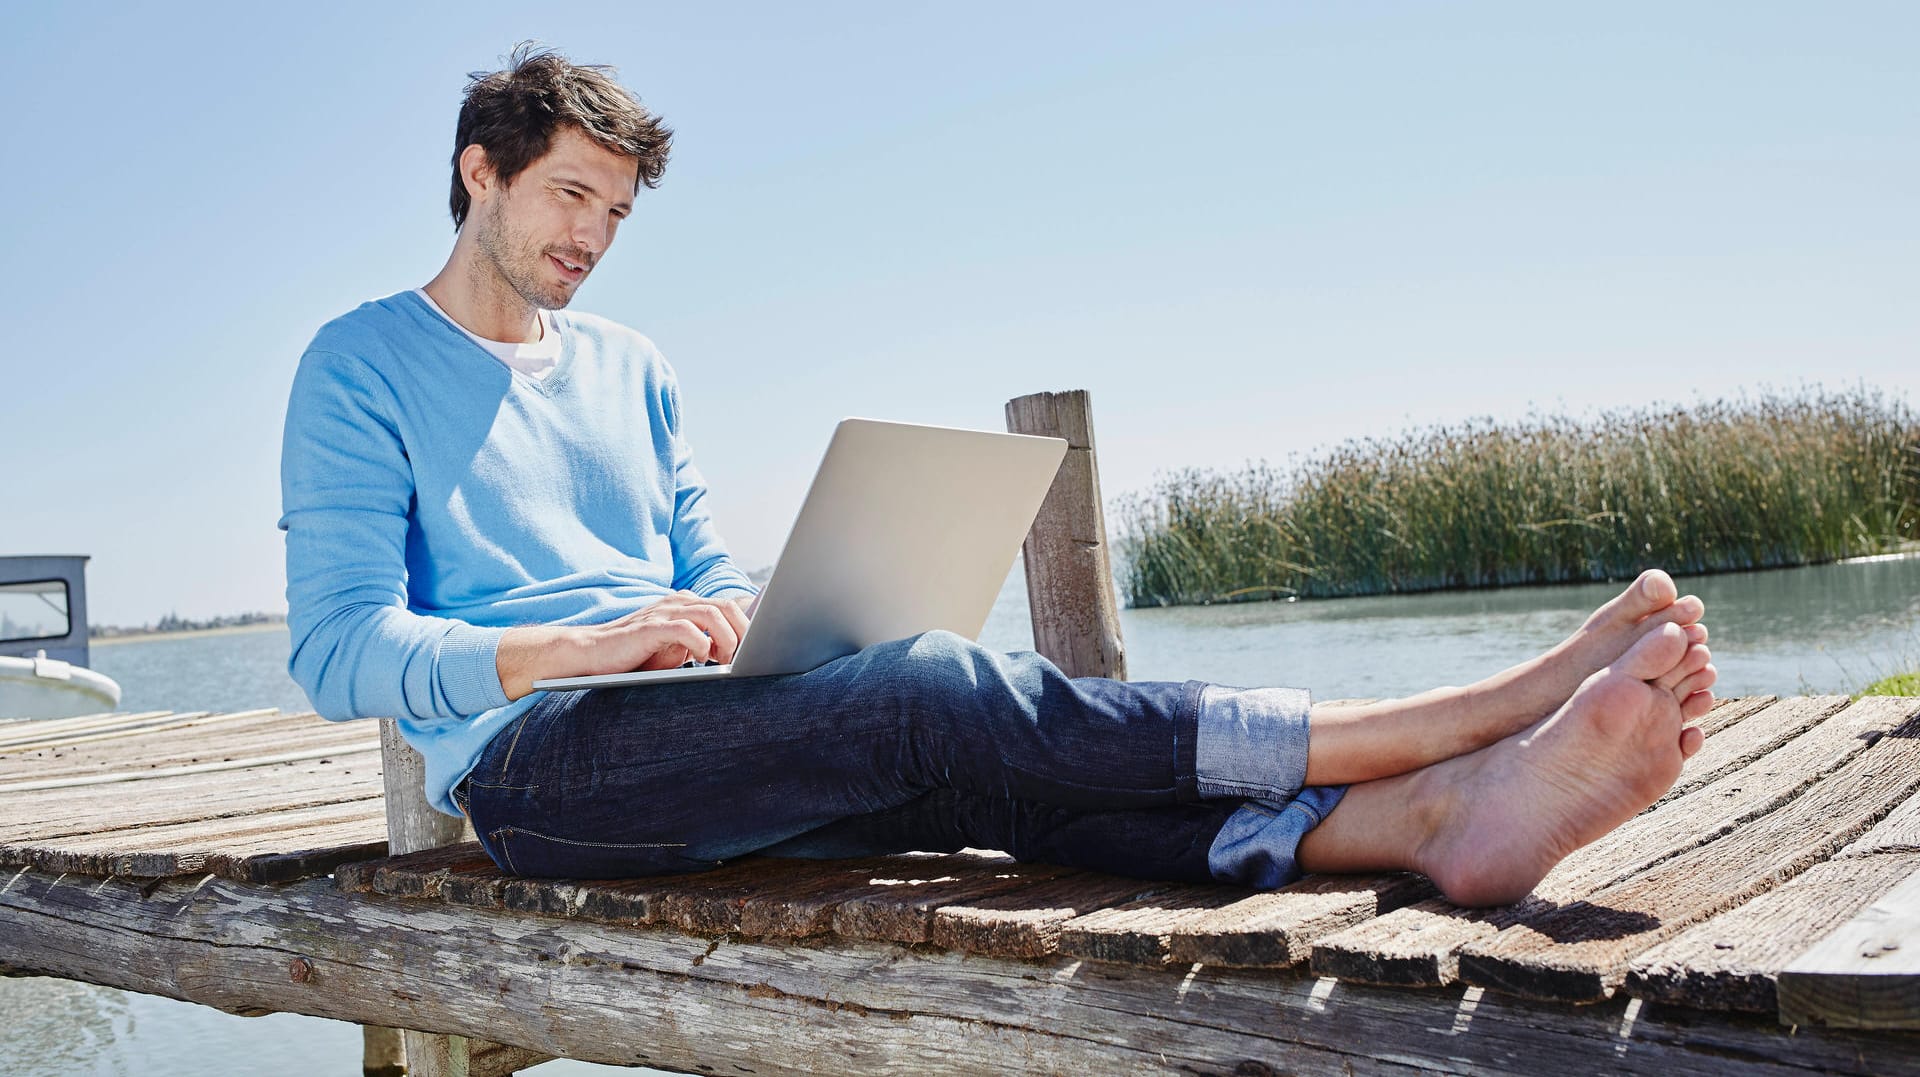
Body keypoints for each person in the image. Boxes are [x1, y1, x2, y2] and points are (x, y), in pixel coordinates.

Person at [280, 46, 1718, 910]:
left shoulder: (630, 364)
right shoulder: (358, 366)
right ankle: (1446, 726)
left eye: (616, 209)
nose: (593, 236)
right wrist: (569, 649)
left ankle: (1431, 823)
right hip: (541, 775)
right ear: (481, 173)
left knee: (972, 760)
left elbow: (704, 559)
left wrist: (739, 615)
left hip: (686, 720)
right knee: (935, 690)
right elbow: (340, 650)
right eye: (568, 197)